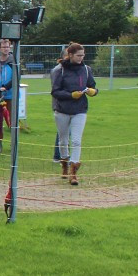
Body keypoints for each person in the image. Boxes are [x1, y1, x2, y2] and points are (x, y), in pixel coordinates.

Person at [50, 42, 97, 185]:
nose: (81, 58)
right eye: (78, 55)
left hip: (80, 110)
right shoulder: (60, 70)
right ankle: (64, 163)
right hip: (62, 110)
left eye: (83, 55)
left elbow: (92, 86)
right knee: (63, 140)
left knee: (76, 140)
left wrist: (93, 91)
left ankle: (73, 171)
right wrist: (71, 95)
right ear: (70, 55)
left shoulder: (87, 69)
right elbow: (55, 91)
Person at [0, 38, 15, 153]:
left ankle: (14, 142)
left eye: (8, 47)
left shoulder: (13, 61)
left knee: (12, 120)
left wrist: (6, 87)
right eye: (4, 47)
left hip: (10, 95)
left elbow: (16, 77)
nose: (6, 49)